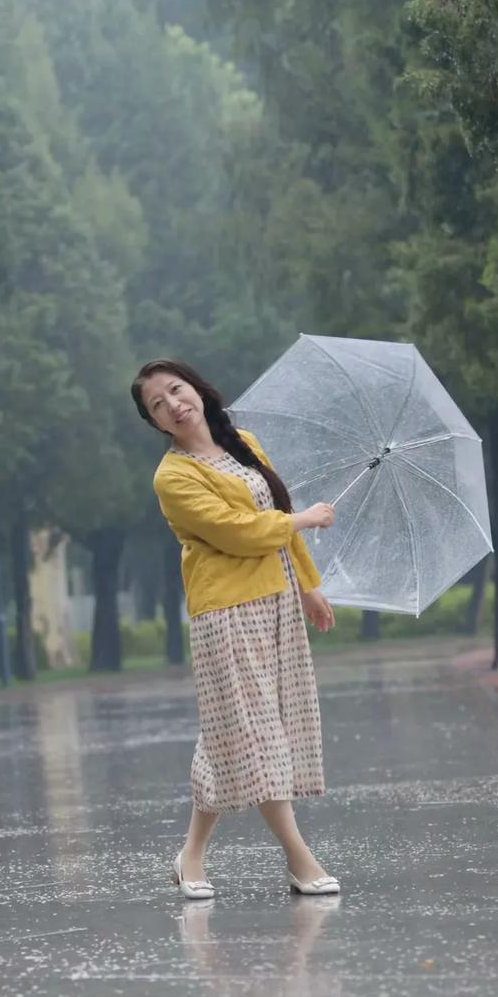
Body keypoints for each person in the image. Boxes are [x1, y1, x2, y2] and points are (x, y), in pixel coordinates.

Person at [131, 357, 340, 899]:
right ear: (154, 422)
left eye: (176, 390)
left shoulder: (243, 443)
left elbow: (277, 507)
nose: (173, 404)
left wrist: (310, 584)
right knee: (256, 734)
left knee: (233, 734)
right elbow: (238, 532)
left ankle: (190, 856)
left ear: (196, 389)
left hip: (278, 602)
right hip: (225, 612)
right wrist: (305, 520)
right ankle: (300, 859)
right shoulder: (173, 476)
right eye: (158, 404)